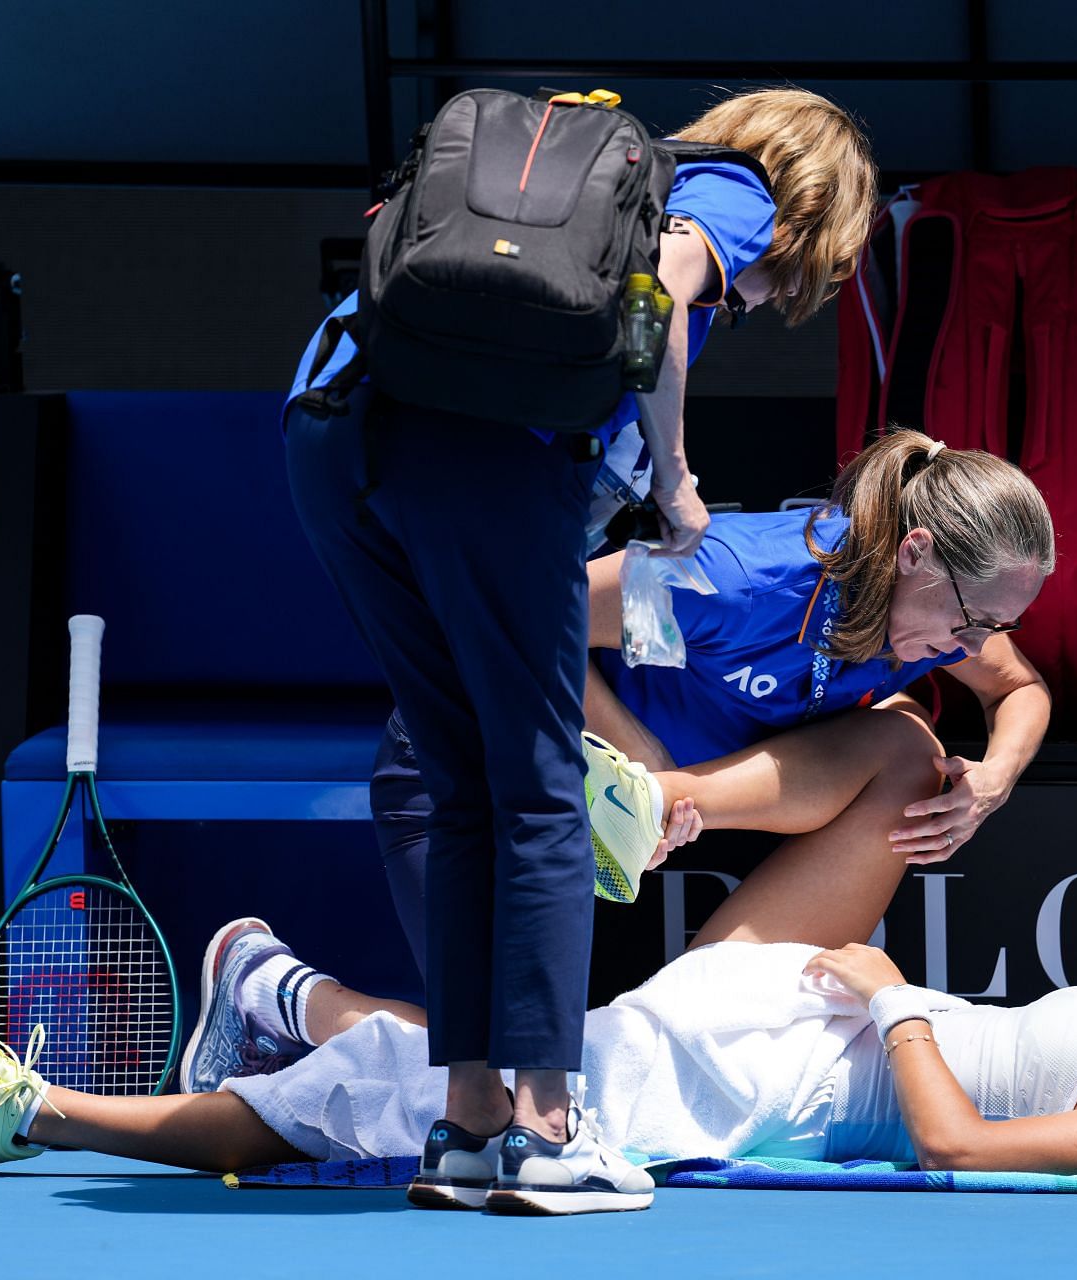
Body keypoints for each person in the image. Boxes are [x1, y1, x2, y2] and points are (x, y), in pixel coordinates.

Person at [282, 87, 877, 1214]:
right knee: (543, 793)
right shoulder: (734, 192)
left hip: (333, 434)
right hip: (485, 461)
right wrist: (676, 477)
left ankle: (467, 1124)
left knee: (462, 785)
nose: (791, 287)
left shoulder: (619, 169)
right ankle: (550, 1129)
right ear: (815, 201)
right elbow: (662, 289)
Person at [0, 909, 1077, 1194]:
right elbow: (1036, 1065)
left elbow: (963, 1147)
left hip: (760, 1084)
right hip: (774, 1035)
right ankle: (275, 1001)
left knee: (397, 1099)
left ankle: (36, 1111)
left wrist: (889, 987)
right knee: (483, 1053)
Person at [379, 427, 1057, 959]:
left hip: (634, 810)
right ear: (915, 552)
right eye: (972, 624)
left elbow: (1019, 688)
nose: (973, 649)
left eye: (1000, 626)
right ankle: (287, 993)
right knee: (482, 1062)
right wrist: (640, 755)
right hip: (477, 759)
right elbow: (513, 633)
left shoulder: (946, 616)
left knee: (908, 742)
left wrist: (994, 778)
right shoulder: (732, 583)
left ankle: (660, 825)